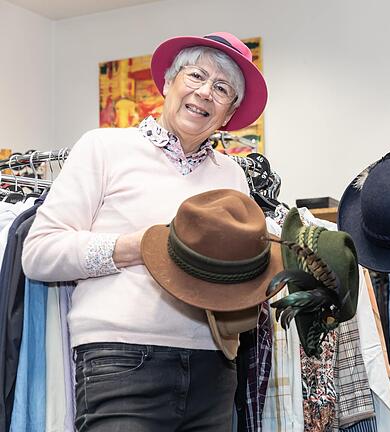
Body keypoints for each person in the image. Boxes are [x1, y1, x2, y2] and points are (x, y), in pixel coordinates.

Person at [21, 32, 267, 431]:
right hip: (121, 361)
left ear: (228, 114)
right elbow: (39, 253)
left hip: (214, 367)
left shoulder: (232, 175)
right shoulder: (103, 147)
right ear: (169, 83)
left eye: (222, 89)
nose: (205, 92)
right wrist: (136, 248)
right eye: (196, 76)